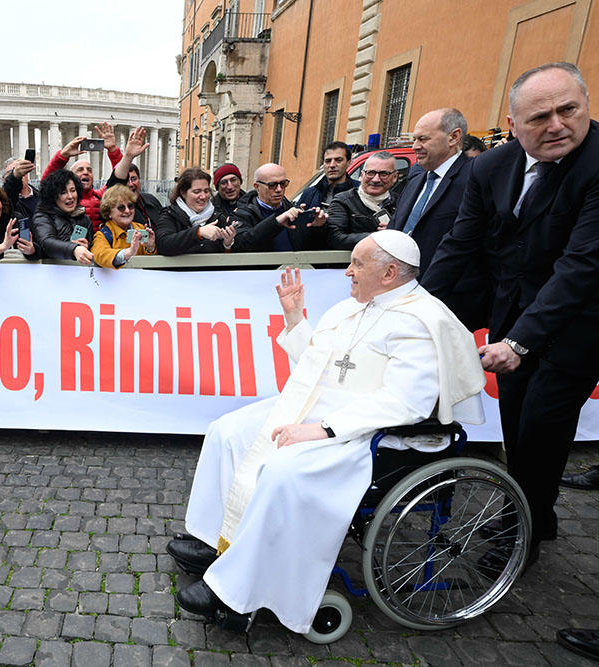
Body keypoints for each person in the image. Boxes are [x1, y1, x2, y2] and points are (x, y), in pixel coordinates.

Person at [167, 230, 485, 634]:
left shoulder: (422, 319)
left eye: (357, 264)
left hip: (375, 432)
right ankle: (218, 540)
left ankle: (239, 590)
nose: (348, 272)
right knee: (227, 431)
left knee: (282, 469)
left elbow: (407, 404)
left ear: (389, 273)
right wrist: (295, 317)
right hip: (323, 409)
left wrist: (323, 429)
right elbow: (316, 365)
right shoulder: (354, 308)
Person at [422, 62, 599, 568]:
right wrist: (410, 305)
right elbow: (460, 243)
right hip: (511, 310)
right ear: (512, 122)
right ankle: (537, 513)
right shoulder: (490, 167)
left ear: (585, 105)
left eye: (569, 109)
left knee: (544, 426)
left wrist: (519, 343)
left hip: (579, 320)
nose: (557, 125)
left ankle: (520, 533)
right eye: (540, 116)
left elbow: (581, 265)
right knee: (518, 427)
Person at [389, 109, 483, 328]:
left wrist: (424, 297)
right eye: (414, 139)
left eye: (423, 139)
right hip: (400, 296)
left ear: (454, 137)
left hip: (447, 305)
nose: (414, 147)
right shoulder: (416, 177)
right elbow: (397, 229)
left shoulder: (474, 179)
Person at [41, 122, 123, 230]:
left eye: (89, 170)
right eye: (80, 170)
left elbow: (120, 178)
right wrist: (63, 155)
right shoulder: (63, 200)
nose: (85, 172)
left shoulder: (102, 196)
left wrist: (113, 150)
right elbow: (46, 183)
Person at [234, 163, 328, 251]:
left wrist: (318, 227)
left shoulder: (295, 211)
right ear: (257, 186)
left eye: (283, 184)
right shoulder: (242, 214)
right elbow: (241, 245)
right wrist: (276, 222)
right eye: (272, 185)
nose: (279, 189)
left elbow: (312, 247)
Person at [154, 168, 235, 255]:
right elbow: (163, 244)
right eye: (197, 192)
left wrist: (227, 243)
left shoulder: (218, 217)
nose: (203, 196)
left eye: (206, 191)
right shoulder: (170, 215)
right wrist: (198, 233)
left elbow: (227, 254)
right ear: (183, 193)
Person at [327, 151, 397, 250]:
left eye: (384, 174)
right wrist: (378, 237)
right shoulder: (343, 201)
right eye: (370, 173)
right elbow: (335, 239)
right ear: (362, 175)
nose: (376, 179)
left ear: (394, 177)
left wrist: (397, 233)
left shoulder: (402, 203)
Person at [31, 170, 95, 264]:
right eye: (63, 192)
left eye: (73, 191)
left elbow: (92, 248)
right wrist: (74, 249)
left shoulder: (84, 219)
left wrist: (87, 247)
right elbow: (47, 243)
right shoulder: (42, 217)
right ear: (52, 196)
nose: (70, 196)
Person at [104, 126, 163, 227]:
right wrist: (128, 157)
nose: (131, 184)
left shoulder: (151, 200)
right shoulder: (115, 207)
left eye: (134, 179)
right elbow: (114, 184)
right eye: (126, 181)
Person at [91, 185, 157, 269]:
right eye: (121, 207)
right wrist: (127, 253)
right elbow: (99, 254)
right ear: (109, 212)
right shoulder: (103, 235)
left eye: (130, 206)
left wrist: (150, 247)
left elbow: (152, 263)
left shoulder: (140, 228)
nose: (127, 211)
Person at [298, 141, 359, 210]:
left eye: (338, 160)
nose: (332, 165)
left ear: (349, 162)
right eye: (328, 161)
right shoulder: (309, 194)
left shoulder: (360, 193)